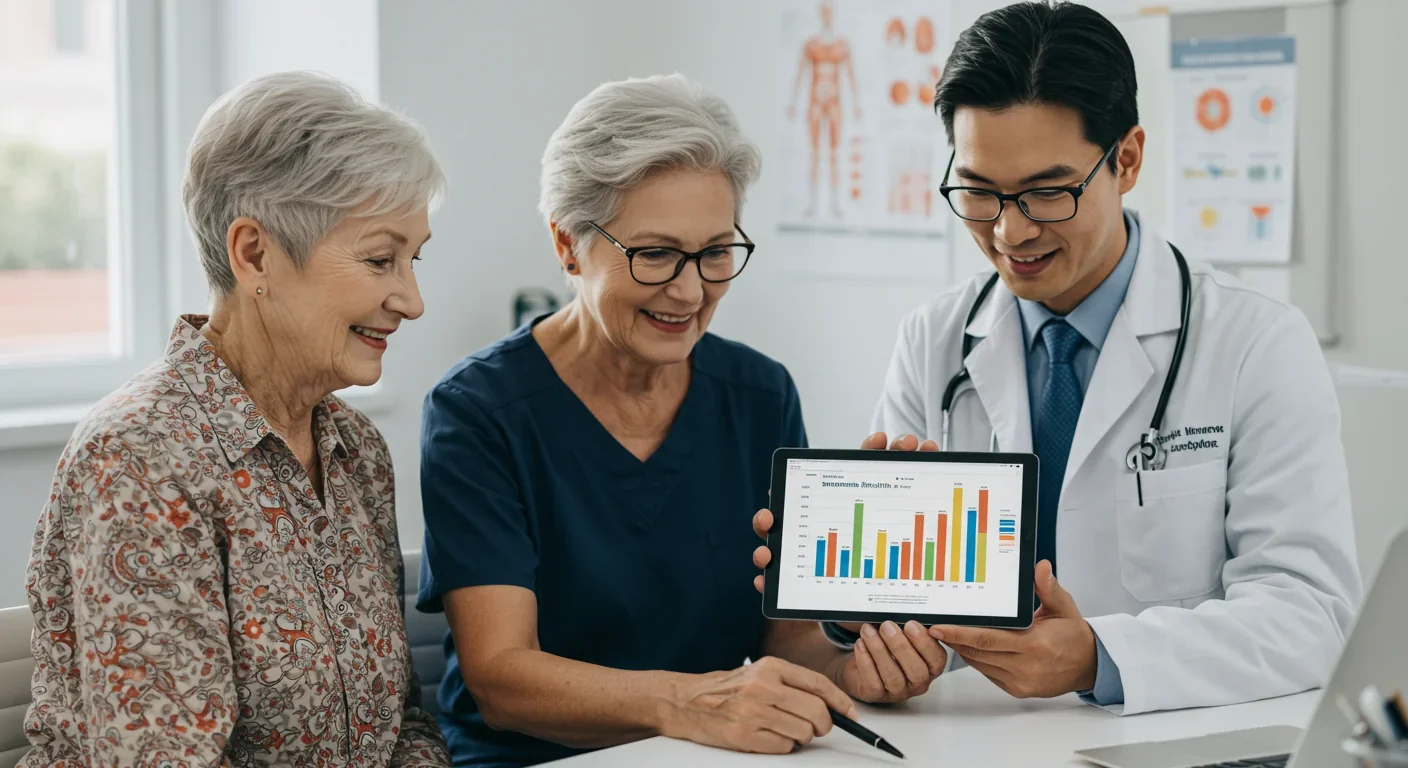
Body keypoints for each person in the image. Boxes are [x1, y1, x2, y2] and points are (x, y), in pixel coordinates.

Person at [754, 1, 1362, 716]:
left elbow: (1310, 616)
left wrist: (1099, 656)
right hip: (978, 741)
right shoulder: (934, 339)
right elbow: (914, 610)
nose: (1010, 232)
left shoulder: (1255, 342)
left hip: (1169, 746)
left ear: (1126, 159)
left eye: (1046, 193)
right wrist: (855, 612)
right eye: (978, 192)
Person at [416, 74, 942, 768]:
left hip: (715, 753)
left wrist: (855, 669)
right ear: (567, 244)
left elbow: (786, 643)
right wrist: (691, 704)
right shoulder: (478, 412)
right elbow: (502, 680)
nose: (691, 291)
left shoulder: (760, 394)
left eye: (716, 252)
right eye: (656, 254)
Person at [22, 72, 451, 766]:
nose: (413, 300)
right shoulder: (137, 459)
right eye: (381, 260)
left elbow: (399, 726)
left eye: (413, 259)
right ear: (254, 254)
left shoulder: (356, 449)